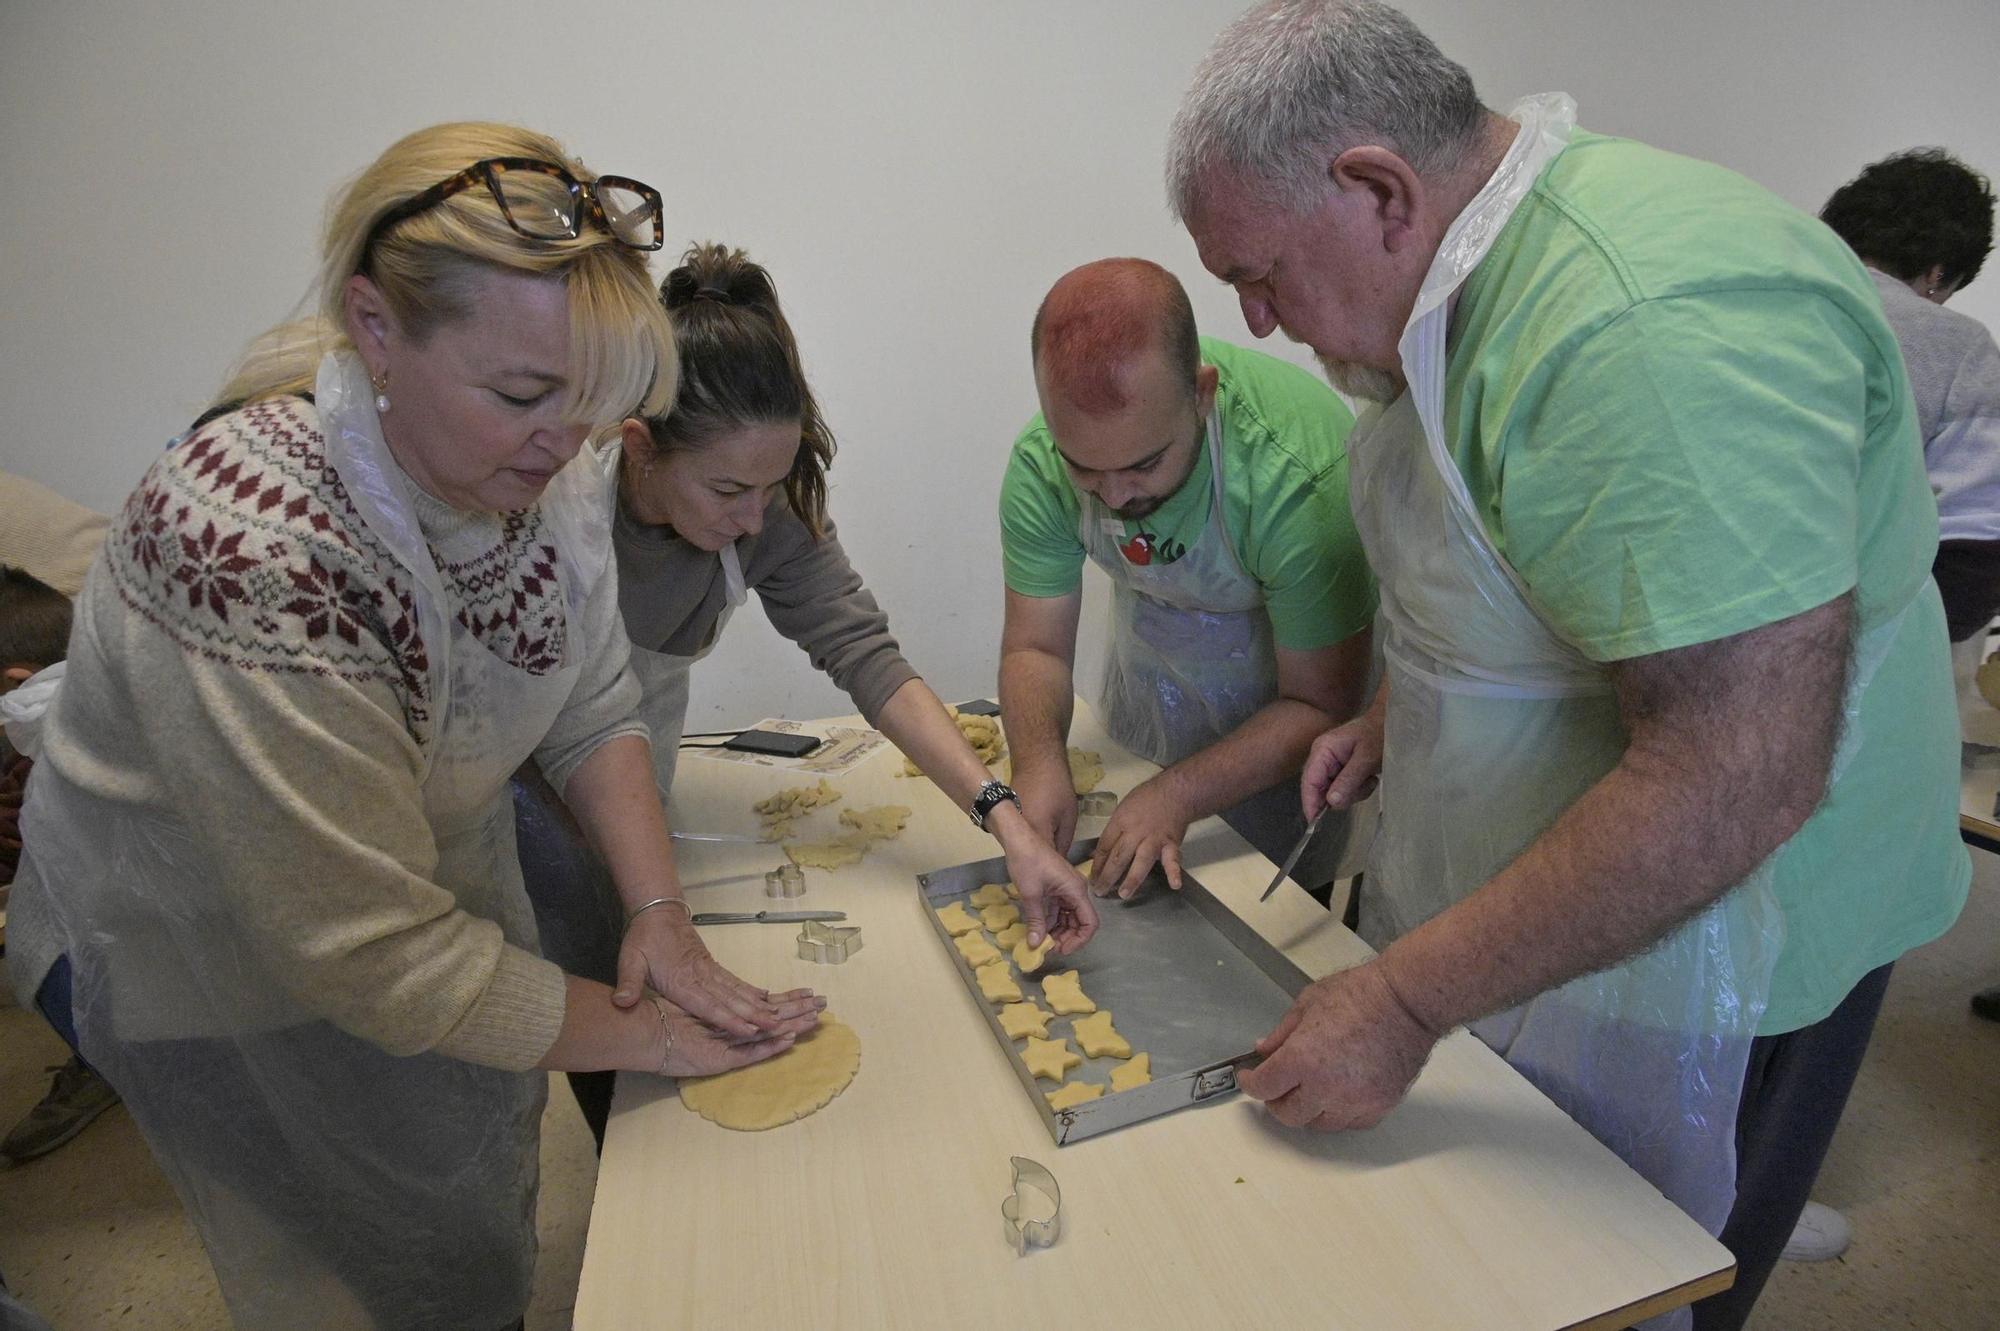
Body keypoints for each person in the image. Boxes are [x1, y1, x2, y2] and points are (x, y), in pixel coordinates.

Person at [1166, 5, 1968, 1329]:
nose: (1255, 321)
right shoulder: (1452, 284)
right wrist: (1394, 709)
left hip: (1736, 916)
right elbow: (1503, 565)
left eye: (1260, 274)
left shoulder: (1644, 329)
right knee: (1487, 1240)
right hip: (1558, 876)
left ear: (1378, 189)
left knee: (1636, 1265)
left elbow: (1734, 777)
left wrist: (1410, 994)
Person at [5, 123, 823, 1330]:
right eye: (525, 394)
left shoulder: (525, 466)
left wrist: (656, 914)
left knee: (461, 1195)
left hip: (377, 905)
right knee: (392, 1249)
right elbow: (366, 953)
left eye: (590, 403)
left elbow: (591, 693)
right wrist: (642, 1032)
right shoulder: (259, 550)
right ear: (375, 328)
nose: (566, 444)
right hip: (189, 938)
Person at [517, 242, 1097, 1145]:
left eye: (768, 487)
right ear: (639, 447)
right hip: (520, 790)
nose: (754, 517)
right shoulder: (553, 503)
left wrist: (1008, 822)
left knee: (660, 1013)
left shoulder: (763, 507)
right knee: (586, 1008)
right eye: (728, 489)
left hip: (635, 778)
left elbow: (869, 659)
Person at [998, 258, 1374, 901]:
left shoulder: (1299, 480)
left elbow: (1319, 702)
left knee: (1264, 919)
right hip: (1147, 699)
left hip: (1283, 736)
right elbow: (1037, 647)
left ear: (1202, 394)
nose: (1114, 495)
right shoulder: (1041, 462)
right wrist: (1038, 766)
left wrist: (1176, 792)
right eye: (1085, 469)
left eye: (1144, 464)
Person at [1823, 149, 2000, 752]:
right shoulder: (1955, 346)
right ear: (1937, 271)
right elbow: (1976, 553)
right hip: (1856, 678)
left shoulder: (1742, 303)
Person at [0, 567, 121, 1165]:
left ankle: (108, 1059)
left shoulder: (45, 722)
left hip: (152, 932)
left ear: (16, 681)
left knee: (33, 938)